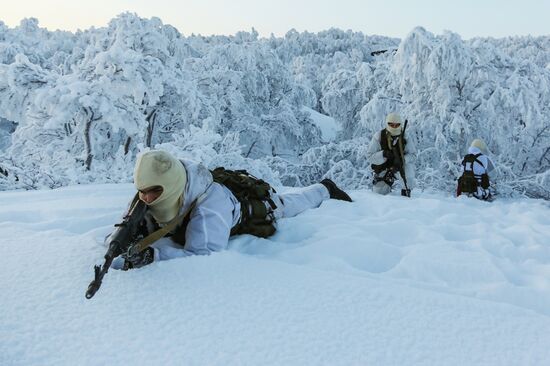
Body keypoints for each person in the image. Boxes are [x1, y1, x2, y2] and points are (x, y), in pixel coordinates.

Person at [110, 150, 352, 269]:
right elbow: (125, 225)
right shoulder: (152, 189)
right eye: (142, 191)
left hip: (250, 210)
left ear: (170, 186)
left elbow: (203, 254)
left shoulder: (209, 207)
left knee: (289, 204)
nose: (146, 198)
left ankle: (324, 188)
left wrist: (153, 256)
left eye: (153, 192)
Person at [366, 112, 416, 196]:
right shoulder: (379, 136)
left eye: (397, 125)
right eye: (391, 125)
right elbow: (369, 156)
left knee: (408, 174)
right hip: (383, 168)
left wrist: (403, 159)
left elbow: (413, 155)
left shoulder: (405, 137)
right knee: (379, 194)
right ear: (387, 123)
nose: (394, 127)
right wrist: (383, 154)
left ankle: (406, 194)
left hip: (400, 166)